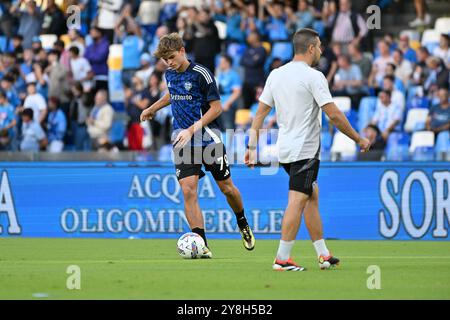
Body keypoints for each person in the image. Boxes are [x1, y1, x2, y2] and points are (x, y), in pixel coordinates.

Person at [245, 28, 370, 271]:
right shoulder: (314, 76)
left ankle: (323, 254)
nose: (321, 50)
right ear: (311, 48)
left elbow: (260, 114)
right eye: (320, 46)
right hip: (305, 150)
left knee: (312, 194)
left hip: (286, 151)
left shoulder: (276, 75)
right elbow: (333, 114)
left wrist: (250, 146)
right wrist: (358, 139)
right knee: (297, 200)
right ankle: (282, 259)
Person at [140, 33, 255, 257]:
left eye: (172, 57)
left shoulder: (202, 74)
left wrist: (192, 129)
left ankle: (241, 220)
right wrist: (153, 108)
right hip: (183, 140)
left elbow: (217, 108)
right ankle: (200, 244)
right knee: (188, 190)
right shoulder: (169, 74)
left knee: (227, 188)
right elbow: (172, 94)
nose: (169, 62)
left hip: (208, 138)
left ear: (182, 51)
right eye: (165, 60)